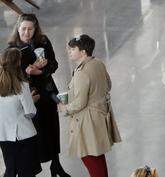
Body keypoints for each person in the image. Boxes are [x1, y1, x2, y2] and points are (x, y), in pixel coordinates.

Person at [7, 15, 64, 177]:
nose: (27, 32)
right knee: (35, 134)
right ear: (18, 29)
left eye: (30, 29)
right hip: (29, 96)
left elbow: (54, 64)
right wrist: (28, 73)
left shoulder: (43, 41)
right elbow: (11, 77)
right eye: (23, 28)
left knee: (53, 128)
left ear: (35, 28)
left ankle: (56, 166)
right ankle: (32, 171)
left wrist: (41, 69)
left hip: (48, 92)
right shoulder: (11, 49)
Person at [59, 35, 120, 177]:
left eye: (73, 49)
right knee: (97, 155)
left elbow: (80, 103)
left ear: (83, 52)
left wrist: (64, 108)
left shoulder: (82, 72)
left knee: (89, 156)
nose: (69, 51)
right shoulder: (98, 63)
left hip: (87, 121)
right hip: (100, 115)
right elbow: (108, 85)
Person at [0, 46, 38, 177]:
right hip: (24, 135)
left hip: (4, 136)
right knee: (27, 172)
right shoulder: (22, 85)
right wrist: (32, 100)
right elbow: (30, 112)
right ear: (18, 63)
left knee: (10, 170)